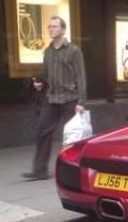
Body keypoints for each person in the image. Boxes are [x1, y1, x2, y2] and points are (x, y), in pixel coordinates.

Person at [22, 16, 86, 180]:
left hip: (70, 98)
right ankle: (40, 170)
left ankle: (75, 170)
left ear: (63, 30)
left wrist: (81, 102)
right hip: (52, 98)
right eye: (49, 27)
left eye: (55, 26)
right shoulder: (48, 51)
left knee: (72, 136)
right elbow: (46, 73)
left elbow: (81, 77)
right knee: (43, 131)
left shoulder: (74, 51)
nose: (51, 29)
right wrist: (40, 83)